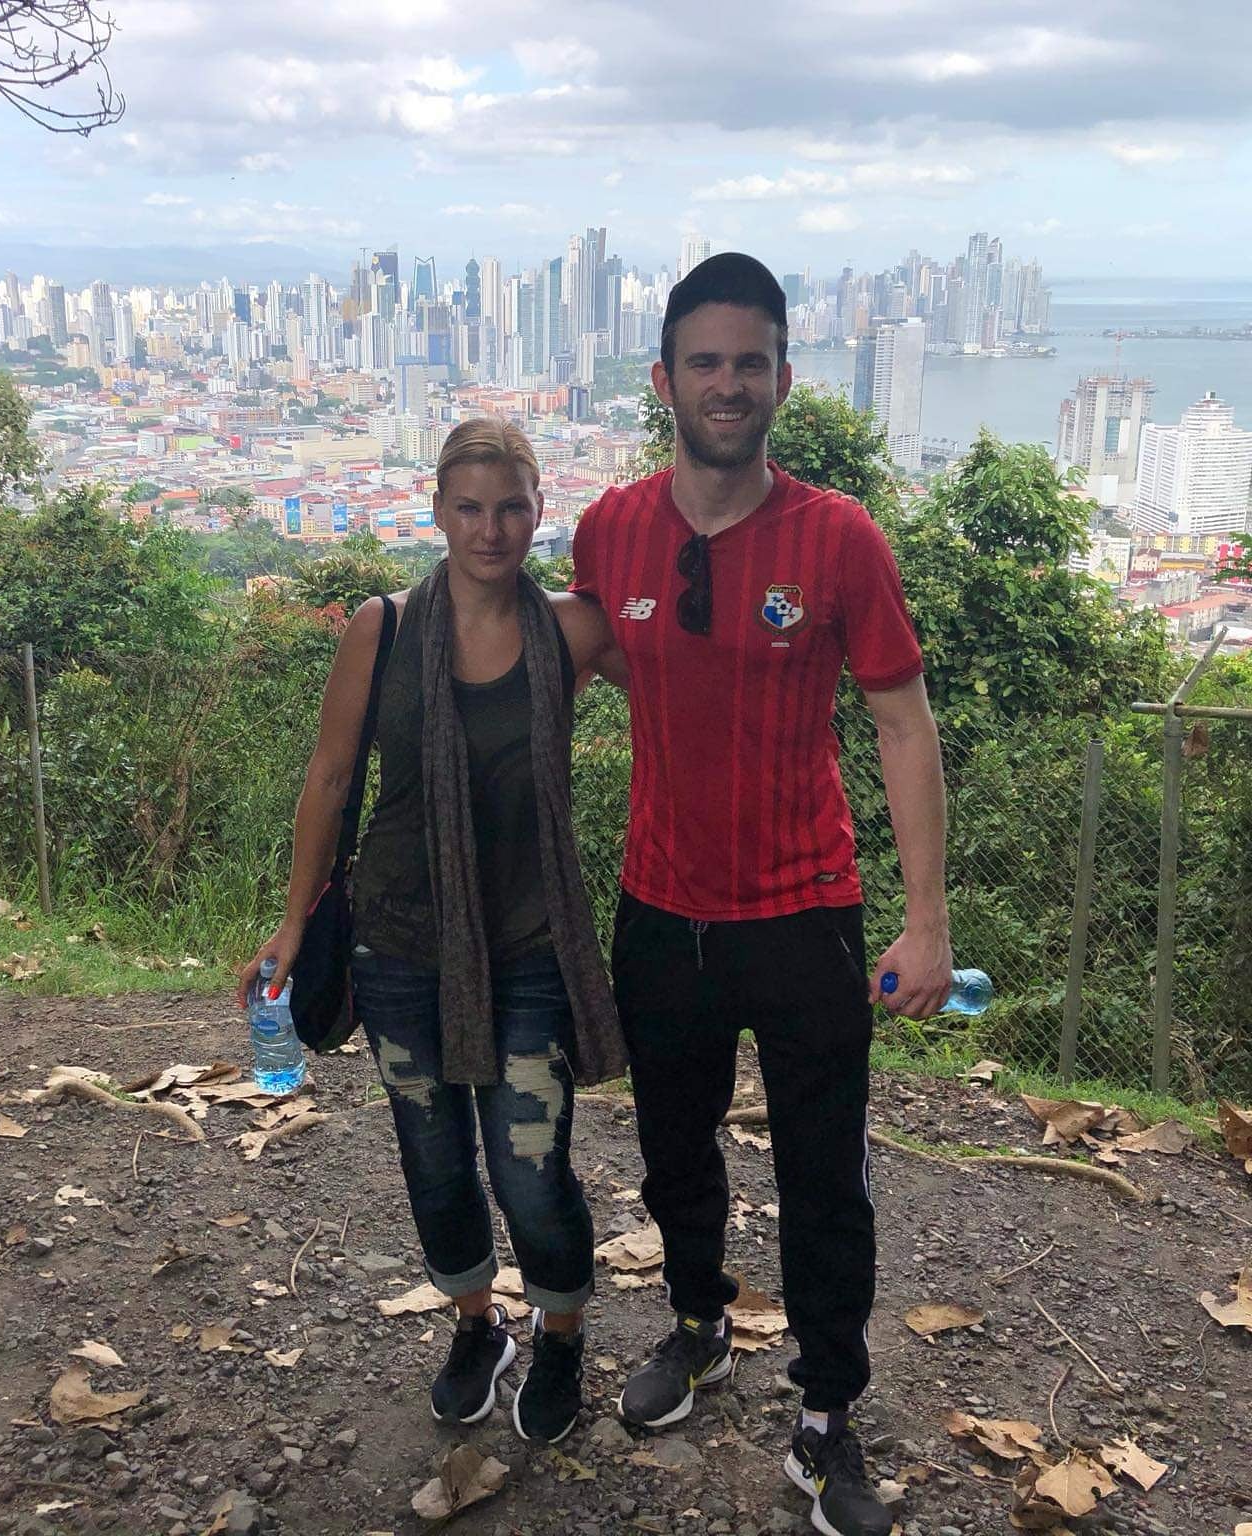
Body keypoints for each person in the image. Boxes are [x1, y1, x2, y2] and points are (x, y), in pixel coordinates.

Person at [571, 253, 951, 1536]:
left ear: (784, 376)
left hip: (805, 915)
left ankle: (830, 1406)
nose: (727, 385)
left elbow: (902, 722)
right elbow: (565, 665)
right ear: (665, 379)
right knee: (674, 1154)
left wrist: (926, 918)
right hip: (658, 907)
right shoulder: (611, 528)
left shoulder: (838, 536)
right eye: (703, 362)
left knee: (825, 1177)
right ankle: (697, 1322)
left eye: (750, 362)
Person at [240, 417, 626, 1446]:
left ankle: (562, 1336)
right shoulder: (388, 627)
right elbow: (330, 778)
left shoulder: (571, 630)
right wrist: (291, 921)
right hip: (402, 939)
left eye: (510, 507)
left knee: (532, 1173)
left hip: (533, 944)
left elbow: (688, 692)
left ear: (540, 513)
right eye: (470, 507)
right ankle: (475, 1325)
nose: (489, 529)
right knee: (435, 1161)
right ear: (438, 509)